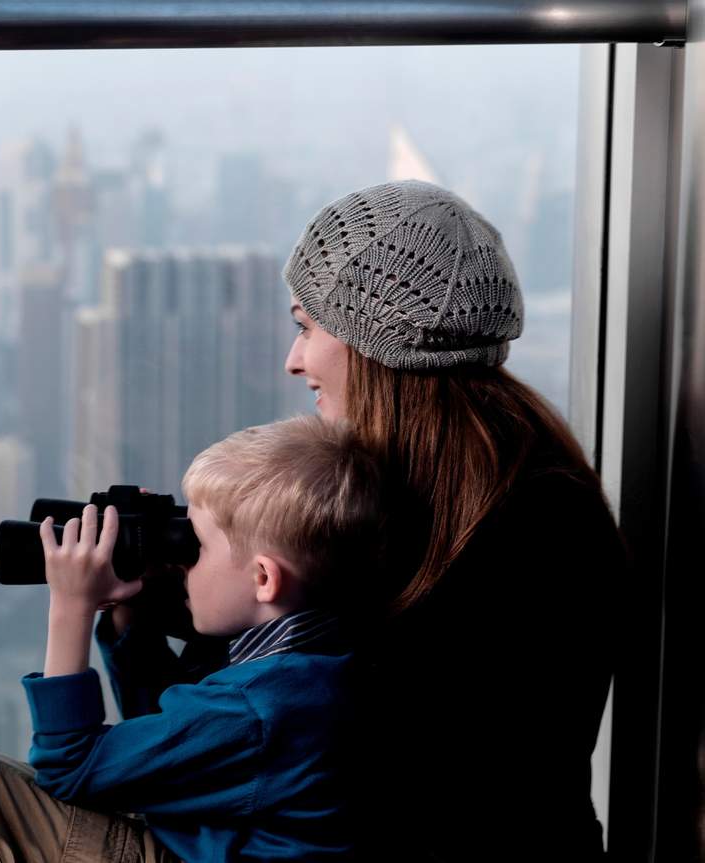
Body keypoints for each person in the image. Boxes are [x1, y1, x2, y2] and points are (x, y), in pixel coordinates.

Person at [275, 178, 626, 860]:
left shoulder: (513, 534)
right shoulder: (522, 490)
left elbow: (335, 770)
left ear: (369, 337)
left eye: (305, 325)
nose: (295, 359)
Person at [0, 414, 388, 862]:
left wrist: (71, 607)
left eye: (197, 546)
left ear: (262, 579)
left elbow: (70, 768)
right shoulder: (312, 659)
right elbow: (165, 743)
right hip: (199, 844)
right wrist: (130, 614)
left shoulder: (260, 706)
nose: (181, 561)